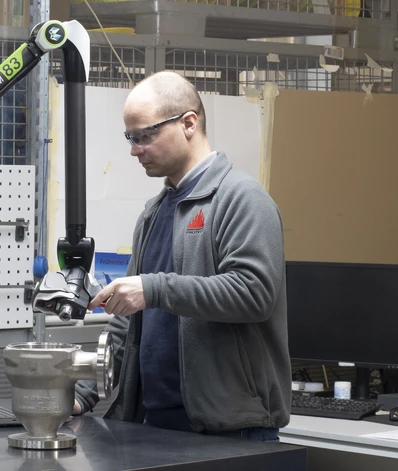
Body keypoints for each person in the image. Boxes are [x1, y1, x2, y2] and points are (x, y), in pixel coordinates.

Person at [72, 71, 290, 441]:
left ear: (189, 123)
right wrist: (80, 395)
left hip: (230, 431)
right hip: (154, 425)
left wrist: (153, 289)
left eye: (145, 136)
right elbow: (127, 325)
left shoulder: (241, 199)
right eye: (131, 137)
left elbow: (254, 294)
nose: (134, 150)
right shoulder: (154, 212)